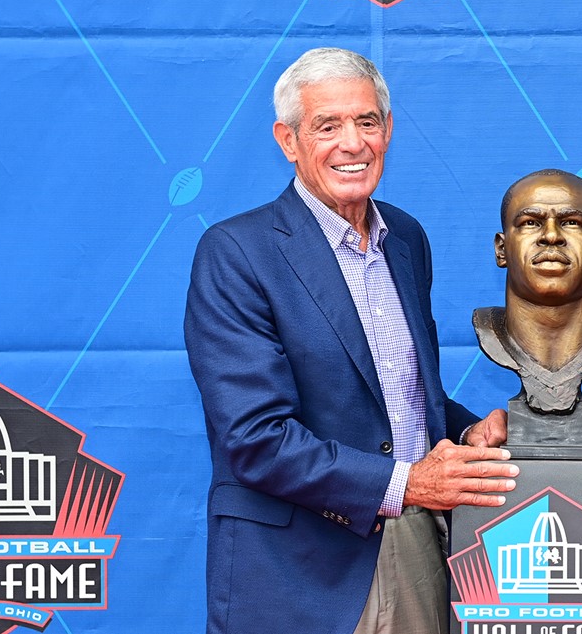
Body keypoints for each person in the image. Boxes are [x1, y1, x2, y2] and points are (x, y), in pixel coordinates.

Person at [183, 47, 517, 634]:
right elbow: (255, 440)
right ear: (288, 140)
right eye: (327, 126)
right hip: (296, 573)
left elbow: (403, 397)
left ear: (388, 130)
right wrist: (410, 481)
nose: (352, 142)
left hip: (415, 545)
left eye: (366, 122)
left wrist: (466, 430)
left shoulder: (405, 237)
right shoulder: (237, 253)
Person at [474, 169, 582, 416]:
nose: (551, 235)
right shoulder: (488, 330)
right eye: (531, 223)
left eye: (571, 222)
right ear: (501, 249)